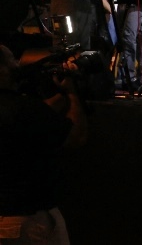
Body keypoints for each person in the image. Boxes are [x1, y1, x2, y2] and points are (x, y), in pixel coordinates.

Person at [0, 44, 87, 245]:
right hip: (28, 220)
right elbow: (76, 137)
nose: (17, 65)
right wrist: (73, 94)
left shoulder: (20, 109)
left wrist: (62, 94)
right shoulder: (23, 109)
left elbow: (39, 114)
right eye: (11, 60)